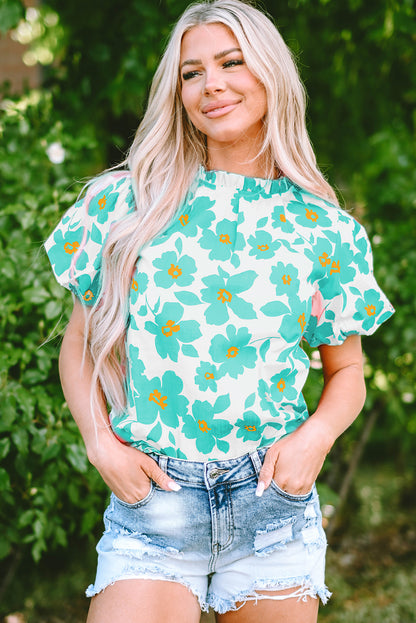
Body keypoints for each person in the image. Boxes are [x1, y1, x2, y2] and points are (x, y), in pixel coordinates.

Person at [44, 1, 394, 621]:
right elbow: (80, 345)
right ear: (176, 92)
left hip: (272, 504)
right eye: (192, 72)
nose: (213, 85)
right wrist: (101, 444)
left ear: (270, 73)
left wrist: (314, 439)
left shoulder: (325, 229)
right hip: (153, 503)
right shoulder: (126, 203)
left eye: (231, 62)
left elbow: (348, 374)